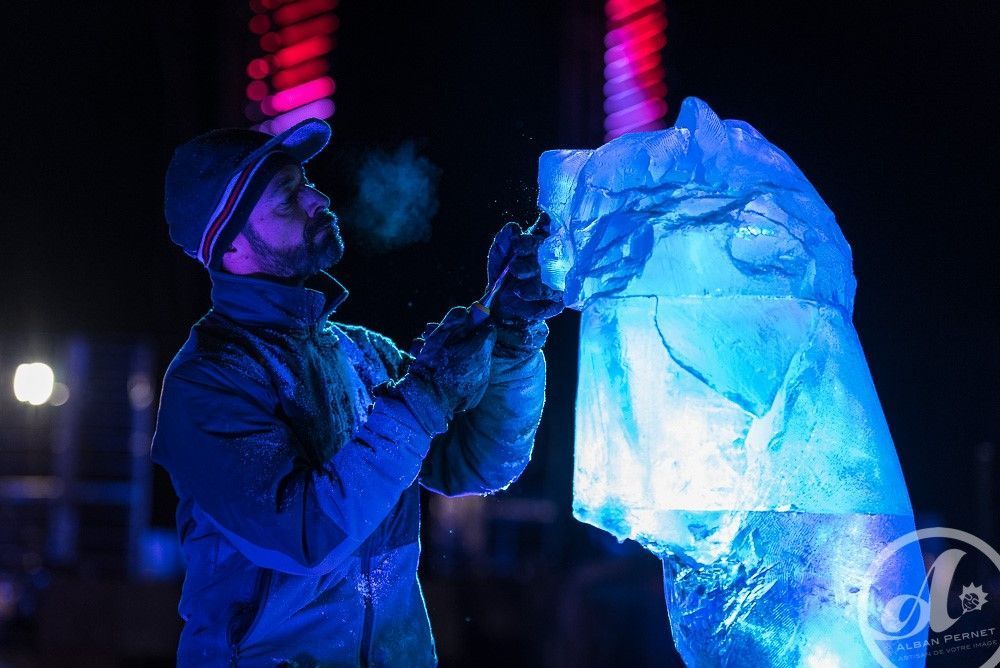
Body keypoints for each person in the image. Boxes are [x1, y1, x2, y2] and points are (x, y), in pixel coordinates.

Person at [152, 118, 563, 666]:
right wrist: (424, 397)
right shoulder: (208, 383)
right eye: (287, 197)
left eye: (306, 181)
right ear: (231, 248)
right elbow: (303, 533)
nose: (317, 198)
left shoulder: (362, 354)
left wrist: (509, 337)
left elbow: (480, 463)